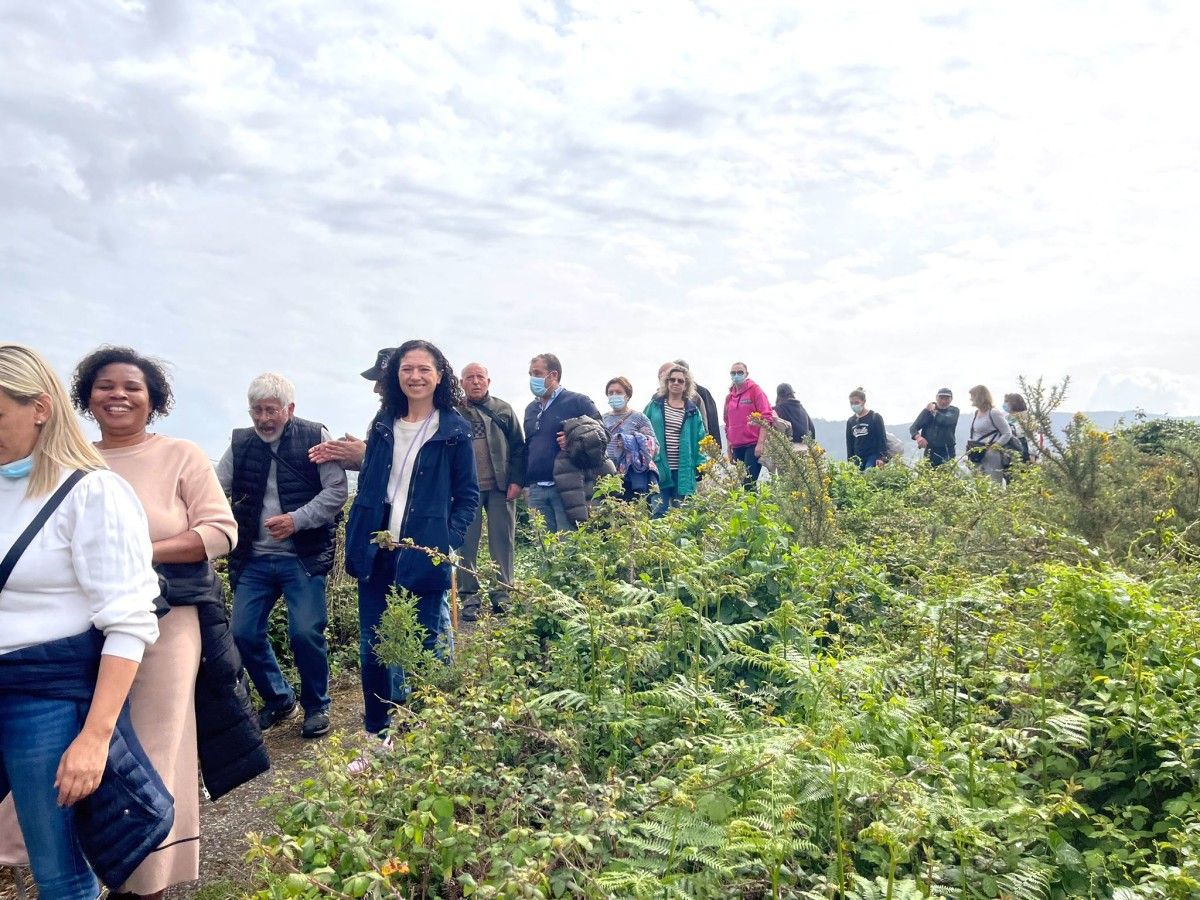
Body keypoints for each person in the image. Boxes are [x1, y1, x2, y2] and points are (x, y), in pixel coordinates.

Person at [0, 343, 163, 899]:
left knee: (58, 871)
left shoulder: (91, 491)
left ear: (40, 408)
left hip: (45, 700)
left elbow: (128, 621)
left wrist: (94, 739)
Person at [343, 340, 479, 756]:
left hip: (424, 551)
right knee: (374, 644)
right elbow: (371, 482)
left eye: (424, 369)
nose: (415, 376)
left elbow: (468, 496)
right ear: (395, 375)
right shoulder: (382, 423)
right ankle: (377, 736)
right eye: (407, 369)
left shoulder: (454, 429)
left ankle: (422, 737)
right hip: (377, 547)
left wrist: (446, 541)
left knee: (423, 646)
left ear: (440, 376)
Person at [217, 374, 348, 740]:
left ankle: (317, 706)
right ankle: (279, 698)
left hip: (302, 556)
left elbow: (336, 491)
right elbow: (215, 489)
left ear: (289, 410)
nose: (263, 419)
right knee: (242, 633)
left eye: (271, 410)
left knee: (305, 632)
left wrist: (296, 520)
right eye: (256, 410)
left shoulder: (313, 436)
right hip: (254, 558)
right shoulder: (241, 443)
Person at [458, 362, 525, 621]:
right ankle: (469, 598)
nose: (475, 382)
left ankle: (503, 595)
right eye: (470, 378)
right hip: (466, 491)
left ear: (488, 381)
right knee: (466, 545)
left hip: (501, 487)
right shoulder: (454, 412)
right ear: (462, 382)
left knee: (503, 542)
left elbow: (519, 447)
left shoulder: (503, 410)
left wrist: (517, 481)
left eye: (480, 377)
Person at [522, 353, 602, 532]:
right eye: (530, 374)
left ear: (553, 375)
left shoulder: (578, 402)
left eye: (537, 373)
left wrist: (574, 439)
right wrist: (525, 485)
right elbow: (528, 446)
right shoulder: (531, 409)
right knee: (542, 548)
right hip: (536, 490)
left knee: (568, 547)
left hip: (567, 487)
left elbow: (601, 434)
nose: (532, 379)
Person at [309, 347, 396, 471]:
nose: (376, 389)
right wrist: (343, 451)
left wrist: (364, 456)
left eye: (382, 382)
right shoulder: (381, 420)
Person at [645, 365, 704, 513]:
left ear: (686, 385)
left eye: (680, 381)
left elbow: (701, 439)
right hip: (659, 468)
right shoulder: (654, 406)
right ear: (667, 382)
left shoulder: (692, 411)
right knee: (658, 512)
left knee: (683, 514)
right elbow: (641, 431)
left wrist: (701, 464)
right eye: (672, 380)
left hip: (683, 469)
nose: (676, 383)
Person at [603, 376, 658, 501]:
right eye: (610, 393)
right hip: (607, 478)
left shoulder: (639, 418)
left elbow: (654, 447)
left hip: (631, 479)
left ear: (627, 396)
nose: (614, 395)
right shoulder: (603, 419)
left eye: (618, 392)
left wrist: (630, 442)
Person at [724, 362, 773, 486]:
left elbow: (766, 417)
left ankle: (755, 505)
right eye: (733, 373)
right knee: (743, 483)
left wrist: (760, 444)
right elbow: (727, 422)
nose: (736, 375)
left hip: (753, 444)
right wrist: (729, 444)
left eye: (740, 372)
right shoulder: (729, 397)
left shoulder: (755, 391)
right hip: (737, 446)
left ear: (746, 374)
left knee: (749, 483)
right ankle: (751, 505)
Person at [966, 385, 1012, 483]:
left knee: (993, 483)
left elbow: (1007, 433)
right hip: (977, 453)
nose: (971, 399)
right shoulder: (976, 413)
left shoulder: (993, 413)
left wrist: (995, 446)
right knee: (979, 483)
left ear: (979, 397)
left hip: (991, 454)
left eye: (972, 396)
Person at [673, 359, 722, 450]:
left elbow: (712, 421)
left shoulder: (701, 393)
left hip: (698, 445)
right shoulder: (663, 397)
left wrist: (715, 448)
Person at [909, 387, 960, 466]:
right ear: (936, 397)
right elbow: (913, 427)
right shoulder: (927, 411)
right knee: (928, 476)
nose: (943, 401)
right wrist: (918, 437)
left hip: (948, 451)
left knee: (946, 476)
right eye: (941, 398)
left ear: (951, 399)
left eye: (947, 398)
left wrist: (933, 411)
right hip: (930, 451)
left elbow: (946, 421)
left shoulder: (954, 411)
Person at [846, 388, 887, 469]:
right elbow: (849, 443)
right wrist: (850, 461)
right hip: (857, 458)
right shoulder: (851, 421)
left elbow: (882, 439)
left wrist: (881, 457)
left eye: (857, 402)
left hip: (872, 456)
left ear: (863, 402)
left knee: (868, 474)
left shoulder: (875, 417)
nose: (854, 405)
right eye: (851, 403)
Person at [1002, 392, 1039, 464]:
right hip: (1009, 450)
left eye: (1006, 401)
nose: (1004, 404)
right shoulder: (1006, 417)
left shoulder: (1026, 417)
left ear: (1014, 403)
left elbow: (1033, 438)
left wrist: (1032, 454)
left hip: (1024, 449)